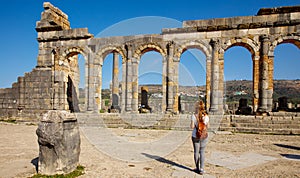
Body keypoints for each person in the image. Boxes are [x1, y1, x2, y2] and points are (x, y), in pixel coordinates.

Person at [190, 100, 209, 174]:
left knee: (196, 152)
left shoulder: (194, 116)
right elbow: (208, 126)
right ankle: (202, 168)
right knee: (202, 152)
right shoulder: (206, 116)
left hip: (195, 135)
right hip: (204, 135)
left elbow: (191, 127)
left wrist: (195, 125)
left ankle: (197, 168)